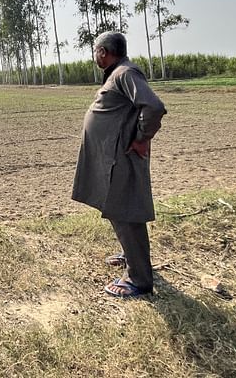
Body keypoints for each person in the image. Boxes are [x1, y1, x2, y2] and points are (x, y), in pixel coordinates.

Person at [72, 31, 166, 298]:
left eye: (95, 51)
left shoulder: (125, 73)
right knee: (117, 207)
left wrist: (141, 139)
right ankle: (131, 255)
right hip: (112, 156)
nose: (94, 56)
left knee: (125, 211)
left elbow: (154, 107)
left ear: (103, 52)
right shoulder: (119, 73)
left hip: (121, 157)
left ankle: (139, 280)